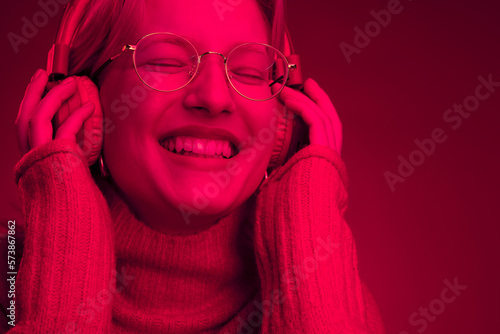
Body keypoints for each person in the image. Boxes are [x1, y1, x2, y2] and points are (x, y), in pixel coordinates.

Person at [2, 0, 385, 332]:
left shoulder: (333, 290)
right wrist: (64, 236)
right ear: (83, 98)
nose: (215, 97)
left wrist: (309, 219)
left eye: (249, 72)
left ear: (285, 125)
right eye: (166, 61)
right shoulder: (9, 283)